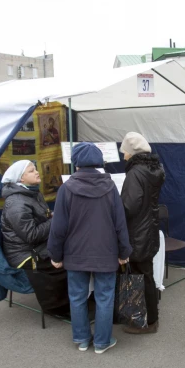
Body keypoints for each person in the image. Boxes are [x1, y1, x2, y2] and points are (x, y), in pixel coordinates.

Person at [48, 143, 132, 354]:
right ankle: (103, 342)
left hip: (75, 253)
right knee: (105, 297)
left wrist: (55, 255)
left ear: (76, 163)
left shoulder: (66, 189)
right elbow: (119, 223)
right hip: (106, 253)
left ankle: (82, 339)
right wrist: (124, 252)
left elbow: (58, 227)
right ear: (99, 162)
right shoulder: (110, 186)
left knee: (77, 296)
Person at [0, 160, 70, 317]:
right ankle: (58, 307)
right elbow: (31, 235)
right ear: (20, 179)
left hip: (35, 246)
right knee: (69, 261)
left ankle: (74, 301)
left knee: (73, 251)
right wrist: (55, 220)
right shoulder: (16, 203)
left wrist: (51, 216)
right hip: (26, 254)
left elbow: (40, 219)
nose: (37, 172)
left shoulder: (32, 193)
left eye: (35, 169)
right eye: (31, 171)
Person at [119, 132, 165, 334]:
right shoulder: (154, 169)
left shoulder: (135, 173)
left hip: (137, 231)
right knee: (146, 274)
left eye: (125, 152)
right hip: (149, 228)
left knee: (140, 274)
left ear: (132, 152)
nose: (124, 157)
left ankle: (147, 321)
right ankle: (148, 317)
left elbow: (129, 205)